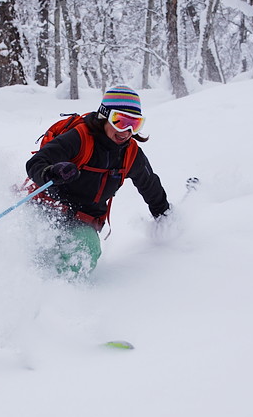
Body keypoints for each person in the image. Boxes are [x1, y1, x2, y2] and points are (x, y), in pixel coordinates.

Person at [26, 85, 170, 277]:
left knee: (86, 250)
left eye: (134, 124)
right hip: (47, 210)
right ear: (104, 116)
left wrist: (166, 218)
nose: (126, 131)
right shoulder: (80, 138)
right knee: (34, 248)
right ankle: (25, 276)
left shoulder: (130, 153)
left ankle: (58, 291)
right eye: (120, 121)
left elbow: (149, 185)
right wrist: (51, 172)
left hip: (82, 222)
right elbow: (36, 162)